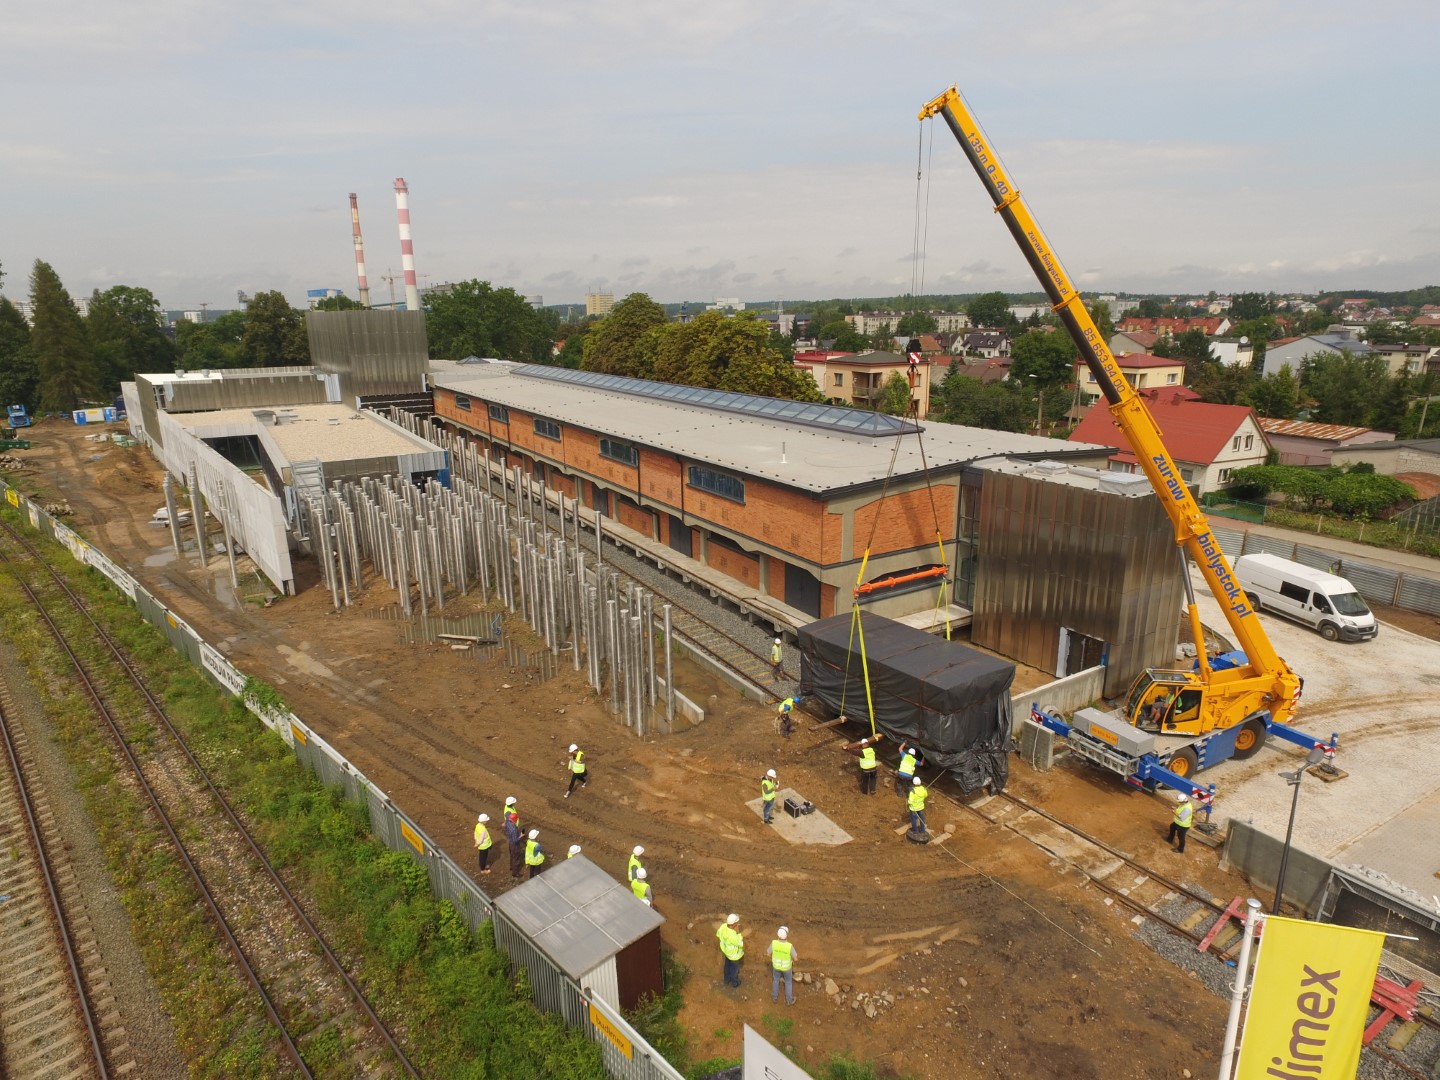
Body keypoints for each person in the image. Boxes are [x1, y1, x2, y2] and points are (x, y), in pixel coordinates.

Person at [843, 731, 884, 795]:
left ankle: (864, 792)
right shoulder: (871, 749)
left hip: (866, 770)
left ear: (863, 744)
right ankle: (873, 790)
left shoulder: (862, 752)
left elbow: (854, 752)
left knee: (865, 781)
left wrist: (847, 749)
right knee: (873, 779)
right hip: (873, 768)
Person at [768, 926, 797, 1006]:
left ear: (778, 935)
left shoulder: (773, 943)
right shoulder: (789, 946)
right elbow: (795, 958)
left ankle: (774, 998)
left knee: (776, 980)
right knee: (788, 982)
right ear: (786, 935)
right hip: (787, 968)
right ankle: (789, 1001)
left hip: (776, 966)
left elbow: (768, 953)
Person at [717, 913, 745, 987]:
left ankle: (726, 980)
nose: (738, 923)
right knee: (734, 970)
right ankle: (735, 983)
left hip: (726, 952)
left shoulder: (723, 927)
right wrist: (738, 932)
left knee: (727, 966)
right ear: (733, 924)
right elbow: (740, 943)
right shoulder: (733, 935)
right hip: (734, 956)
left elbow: (718, 934)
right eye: (737, 923)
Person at [503, 797, 524, 879]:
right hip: (514, 844)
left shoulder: (508, 823)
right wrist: (521, 836)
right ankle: (515, 873)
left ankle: (511, 867)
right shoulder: (514, 829)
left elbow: (505, 827)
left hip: (510, 842)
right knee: (516, 857)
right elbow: (515, 840)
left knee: (512, 855)